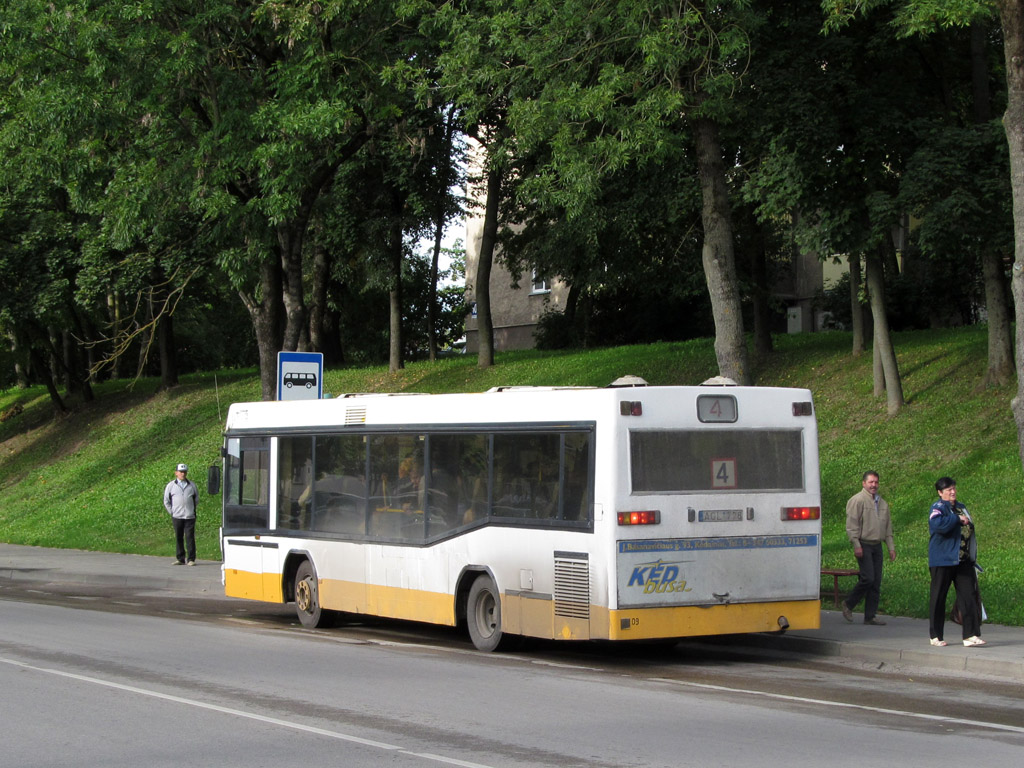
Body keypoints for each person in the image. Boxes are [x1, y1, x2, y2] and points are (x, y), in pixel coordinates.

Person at [928, 477, 985, 647]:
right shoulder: (937, 508)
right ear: (940, 493)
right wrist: (956, 520)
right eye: (948, 490)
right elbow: (938, 526)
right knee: (939, 597)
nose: (952, 492)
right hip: (943, 560)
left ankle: (971, 634)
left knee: (969, 596)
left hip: (962, 560)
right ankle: (935, 635)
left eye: (953, 488)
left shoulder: (961, 507)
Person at [841, 471, 896, 625]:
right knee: (868, 578)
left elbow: (888, 528)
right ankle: (849, 603)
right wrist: (856, 544)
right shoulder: (857, 501)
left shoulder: (882, 503)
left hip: (877, 545)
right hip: (863, 544)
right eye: (871, 482)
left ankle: (870, 616)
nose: (874, 485)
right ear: (863, 483)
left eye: (876, 482)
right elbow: (852, 526)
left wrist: (891, 548)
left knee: (876, 582)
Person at [163, 462, 198, 566]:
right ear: (176, 473)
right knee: (179, 537)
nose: (183, 474)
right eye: (181, 472)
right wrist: (172, 512)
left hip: (189, 516)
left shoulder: (192, 485)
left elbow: (196, 499)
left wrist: (191, 509)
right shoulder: (171, 486)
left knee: (190, 537)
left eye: (184, 472)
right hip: (177, 516)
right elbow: (166, 501)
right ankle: (180, 558)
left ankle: (191, 559)